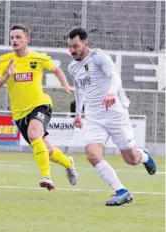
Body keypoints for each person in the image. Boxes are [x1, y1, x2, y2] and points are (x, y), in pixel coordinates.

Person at [67, 27, 156, 206]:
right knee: (92, 154)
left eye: (75, 46)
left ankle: (143, 156)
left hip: (115, 113)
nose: (72, 50)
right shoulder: (72, 67)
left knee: (131, 159)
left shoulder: (99, 57)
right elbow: (78, 90)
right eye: (69, 46)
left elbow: (115, 77)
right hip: (93, 117)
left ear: (86, 44)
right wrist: (78, 113)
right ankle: (121, 191)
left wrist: (111, 93)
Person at [0, 24, 78, 191]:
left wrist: (66, 85)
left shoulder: (38, 58)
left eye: (18, 37)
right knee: (48, 149)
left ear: (27, 39)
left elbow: (56, 69)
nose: (14, 40)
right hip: (19, 113)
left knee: (33, 133)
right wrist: (6, 76)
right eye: (12, 38)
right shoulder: (4, 61)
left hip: (40, 105)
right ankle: (68, 163)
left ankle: (47, 177)